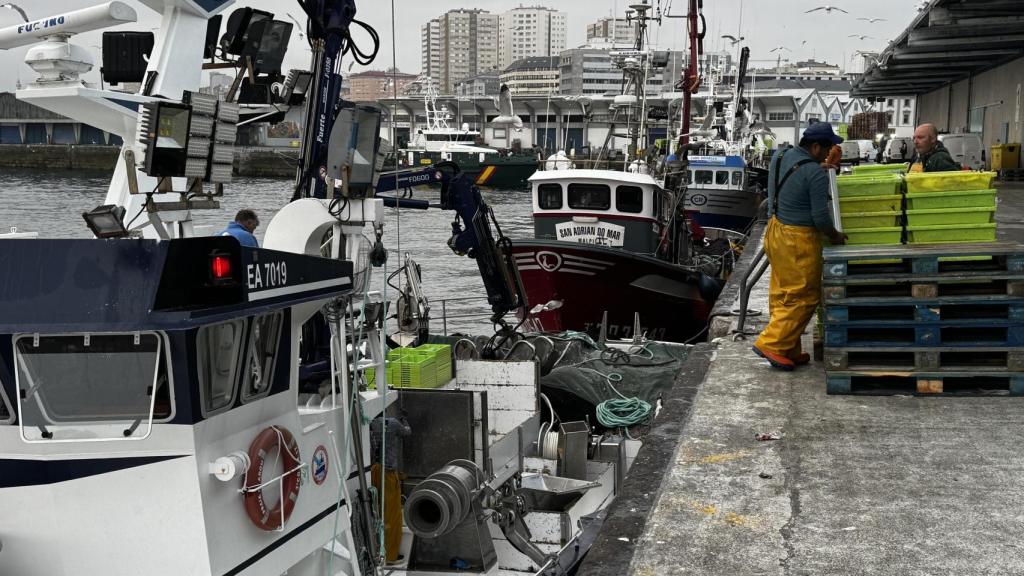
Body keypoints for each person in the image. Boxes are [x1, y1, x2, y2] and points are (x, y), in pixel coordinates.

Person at [753, 122, 847, 371]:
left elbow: (791, 179)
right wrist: (835, 236)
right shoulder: (815, 174)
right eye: (827, 148)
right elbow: (820, 217)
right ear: (815, 147)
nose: (829, 153)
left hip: (775, 229)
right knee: (804, 296)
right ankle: (771, 344)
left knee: (782, 292)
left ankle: (789, 348)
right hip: (799, 238)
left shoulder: (782, 155)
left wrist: (818, 167)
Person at [370, 410, 412, 564]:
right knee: (392, 515)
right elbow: (407, 432)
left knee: (379, 511)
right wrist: (404, 420)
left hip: (374, 473)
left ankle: (378, 550)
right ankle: (390, 555)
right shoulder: (393, 423)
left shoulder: (371, 424)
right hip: (388, 474)